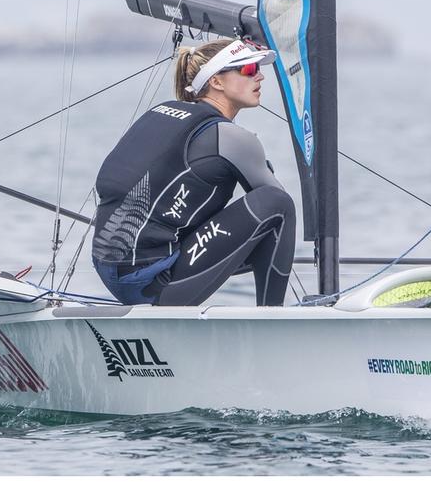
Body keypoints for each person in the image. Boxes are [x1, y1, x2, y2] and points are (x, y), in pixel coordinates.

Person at [92, 38, 296, 306]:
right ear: (216, 82)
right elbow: (274, 210)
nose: (260, 76)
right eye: (247, 69)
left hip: (110, 271)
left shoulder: (161, 112)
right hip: (153, 284)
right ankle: (272, 321)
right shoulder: (233, 138)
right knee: (278, 204)